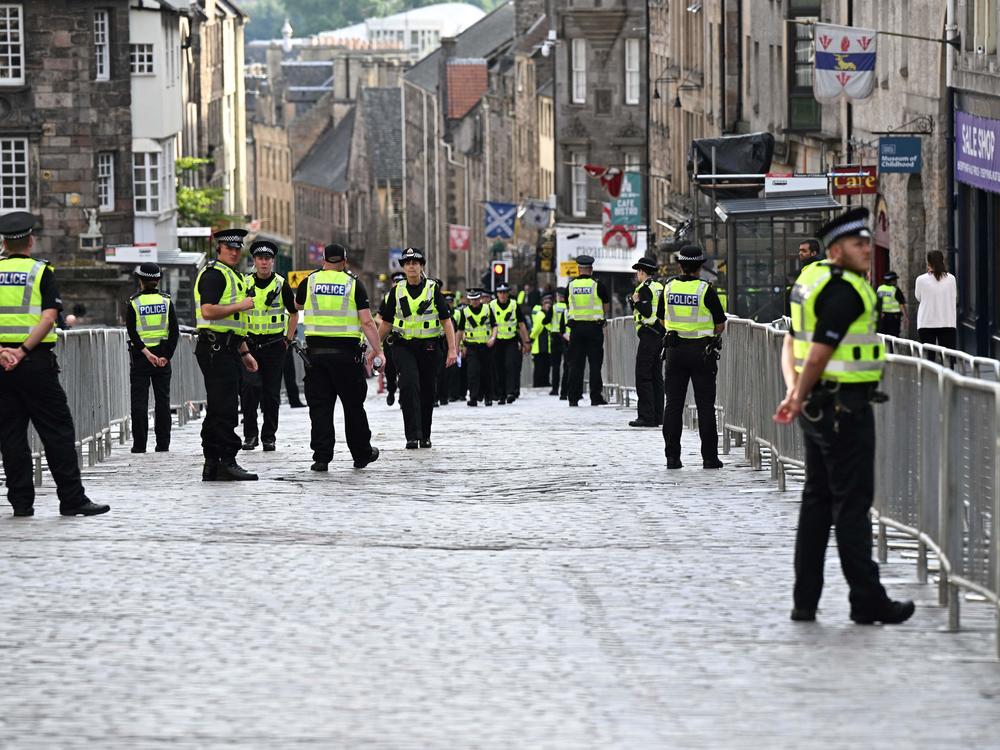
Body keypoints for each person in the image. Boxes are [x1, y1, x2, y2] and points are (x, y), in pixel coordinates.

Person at [775, 206, 915, 626]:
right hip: (843, 409)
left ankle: (805, 600)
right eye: (858, 244)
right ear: (836, 250)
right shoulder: (846, 290)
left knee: (817, 501)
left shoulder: (810, 280)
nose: (867, 249)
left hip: (817, 405)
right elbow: (816, 351)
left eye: (867, 242)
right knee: (852, 506)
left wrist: (795, 391)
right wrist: (797, 393)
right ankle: (867, 600)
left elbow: (790, 343)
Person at [0, 212, 109, 517]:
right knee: (57, 431)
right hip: (35, 362)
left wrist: (3, 352)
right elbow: (49, 317)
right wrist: (22, 350)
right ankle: (72, 498)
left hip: (1, 365)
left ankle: (21, 502)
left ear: (5, 242)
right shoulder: (40, 271)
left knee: (10, 435)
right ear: (30, 240)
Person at [295, 243, 382, 471]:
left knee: (321, 408)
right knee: (353, 407)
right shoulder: (354, 284)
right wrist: (378, 350)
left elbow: (296, 305)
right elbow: (366, 322)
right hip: (346, 356)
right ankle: (361, 454)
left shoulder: (310, 281)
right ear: (344, 261)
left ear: (323, 261)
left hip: (316, 357)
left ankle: (322, 458)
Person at [194, 228, 259, 481]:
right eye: (229, 247)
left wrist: (244, 352)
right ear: (218, 247)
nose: (234, 252)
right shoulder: (214, 275)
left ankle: (212, 462)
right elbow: (208, 311)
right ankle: (226, 460)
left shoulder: (233, 276)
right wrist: (241, 305)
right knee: (226, 406)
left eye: (237, 248)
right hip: (215, 348)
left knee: (219, 407)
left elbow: (233, 322)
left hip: (228, 347)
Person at [377, 247, 457, 448]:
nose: (411, 266)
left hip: (429, 347)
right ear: (403, 267)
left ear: (421, 266)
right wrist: (375, 347)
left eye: (415, 263)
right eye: (408, 263)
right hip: (403, 346)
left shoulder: (432, 289)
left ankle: (425, 434)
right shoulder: (396, 291)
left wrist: (452, 349)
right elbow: (386, 323)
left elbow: (446, 322)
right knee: (408, 386)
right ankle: (412, 436)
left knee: (428, 390)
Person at [661, 245, 726, 469]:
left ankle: (672, 457)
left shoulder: (668, 287)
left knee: (673, 405)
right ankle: (709, 458)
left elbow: (662, 319)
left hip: (674, 351)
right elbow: (720, 324)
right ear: (700, 267)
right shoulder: (705, 289)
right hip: (702, 352)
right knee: (705, 406)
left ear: (680, 264)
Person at [240, 240, 298, 452]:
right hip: (250, 345)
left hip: (275, 345)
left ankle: (268, 436)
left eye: (267, 259)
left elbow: (293, 313)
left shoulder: (281, 284)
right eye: (260, 259)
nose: (264, 263)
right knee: (249, 389)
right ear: (254, 261)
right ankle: (250, 435)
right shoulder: (245, 283)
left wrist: (288, 339)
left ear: (273, 261)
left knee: (271, 393)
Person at [126, 262, 179, 453]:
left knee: (139, 402)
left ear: (141, 281)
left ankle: (139, 445)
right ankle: (163, 444)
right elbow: (174, 332)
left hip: (141, 358)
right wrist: (165, 356)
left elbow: (132, 332)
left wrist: (146, 353)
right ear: (157, 280)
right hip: (162, 358)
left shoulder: (134, 302)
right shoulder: (166, 301)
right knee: (162, 402)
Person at [565, 255, 609, 407]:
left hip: (576, 329)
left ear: (578, 269)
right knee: (595, 364)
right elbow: (605, 304)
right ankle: (595, 397)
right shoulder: (597, 285)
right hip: (594, 328)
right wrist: (602, 317)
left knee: (575, 364)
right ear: (591, 269)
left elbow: (568, 305)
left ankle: (573, 397)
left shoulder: (571, 286)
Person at [629, 257, 665, 428]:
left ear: (642, 272)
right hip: (659, 333)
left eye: (638, 271)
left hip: (649, 335)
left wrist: (635, 301)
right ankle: (659, 416)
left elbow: (646, 310)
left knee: (643, 376)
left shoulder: (643, 289)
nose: (637, 274)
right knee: (656, 376)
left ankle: (646, 416)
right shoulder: (659, 287)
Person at [489, 283, 530, 404]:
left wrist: (526, 341)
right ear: (497, 294)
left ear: (508, 293)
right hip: (497, 342)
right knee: (498, 368)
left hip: (511, 340)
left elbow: (521, 325)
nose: (502, 295)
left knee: (510, 366)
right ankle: (501, 395)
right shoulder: (491, 306)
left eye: (504, 292)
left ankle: (510, 392)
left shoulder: (513, 305)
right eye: (500, 292)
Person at [458, 288, 497, 406]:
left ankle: (488, 397)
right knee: (473, 373)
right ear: (469, 300)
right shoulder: (465, 312)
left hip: (486, 346)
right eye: (471, 300)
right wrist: (456, 346)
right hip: (472, 346)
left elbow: (495, 325)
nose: (474, 302)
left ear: (480, 299)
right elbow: (460, 331)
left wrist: (493, 338)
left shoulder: (487, 309)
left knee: (487, 373)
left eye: (476, 299)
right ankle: (473, 397)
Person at [914, 250, 957, 349]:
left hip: (926, 322)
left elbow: (918, 297)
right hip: (947, 322)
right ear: (942, 261)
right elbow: (953, 297)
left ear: (928, 263)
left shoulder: (920, 280)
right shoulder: (951, 279)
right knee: (948, 357)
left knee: (929, 358)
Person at [378, 270, 406, 406]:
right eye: (396, 282)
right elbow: (378, 317)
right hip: (390, 339)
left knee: (404, 370)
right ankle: (391, 390)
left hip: (404, 338)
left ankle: (403, 396)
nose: (397, 284)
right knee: (390, 370)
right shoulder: (388, 297)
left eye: (400, 282)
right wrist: (386, 324)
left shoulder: (409, 295)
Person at [530, 294, 554, 388]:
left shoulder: (546, 314)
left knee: (545, 364)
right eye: (546, 303)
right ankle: (538, 383)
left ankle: (544, 381)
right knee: (540, 365)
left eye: (549, 303)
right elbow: (537, 328)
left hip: (544, 344)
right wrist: (530, 339)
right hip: (539, 344)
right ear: (543, 305)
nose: (548, 305)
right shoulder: (540, 314)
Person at [549, 287, 569, 396]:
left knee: (555, 366)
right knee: (567, 365)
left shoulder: (554, 307)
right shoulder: (567, 307)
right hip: (566, 337)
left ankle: (555, 389)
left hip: (555, 336)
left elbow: (545, 320)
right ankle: (564, 390)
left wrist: (550, 328)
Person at [876, 271, 908, 338]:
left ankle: (886, 348)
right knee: (894, 336)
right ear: (891, 281)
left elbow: (876, 303)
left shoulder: (879, 289)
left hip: (882, 317)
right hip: (894, 318)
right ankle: (892, 348)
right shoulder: (895, 290)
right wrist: (905, 317)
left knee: (883, 336)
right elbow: (901, 304)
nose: (896, 282)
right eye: (895, 280)